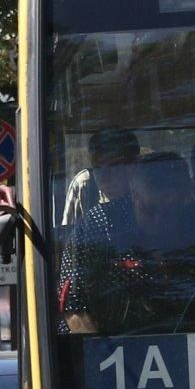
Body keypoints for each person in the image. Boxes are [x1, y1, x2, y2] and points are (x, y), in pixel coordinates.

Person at [56, 129, 150, 334]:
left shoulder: (153, 210)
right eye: (98, 167)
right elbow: (75, 311)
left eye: (115, 165)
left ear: (134, 165)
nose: (105, 176)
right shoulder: (92, 225)